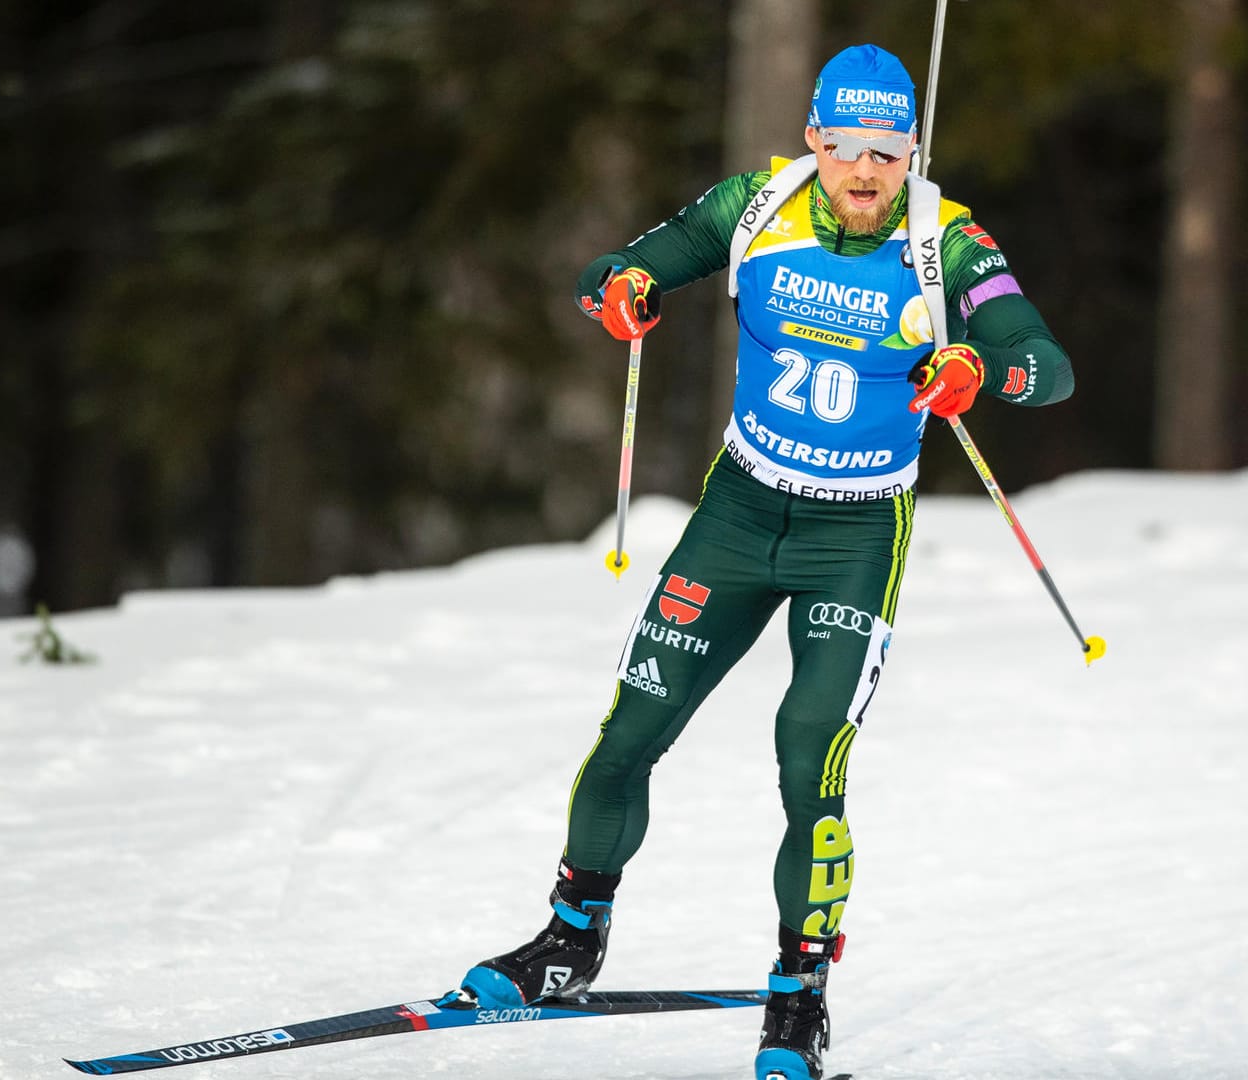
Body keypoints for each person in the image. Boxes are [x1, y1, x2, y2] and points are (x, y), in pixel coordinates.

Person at [456, 44, 1073, 1080]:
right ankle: (570, 941)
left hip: (854, 534)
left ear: (911, 151)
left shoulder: (947, 242)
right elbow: (618, 268)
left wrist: (979, 364)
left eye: (888, 151)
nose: (867, 173)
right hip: (739, 516)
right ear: (815, 142)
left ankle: (799, 997)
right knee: (630, 732)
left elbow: (1044, 366)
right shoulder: (756, 203)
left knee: (806, 758)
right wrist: (623, 291)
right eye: (847, 149)